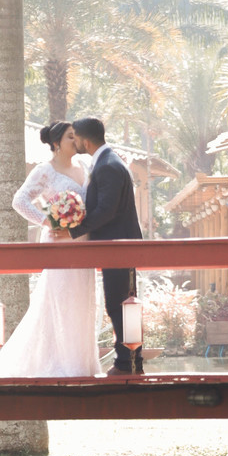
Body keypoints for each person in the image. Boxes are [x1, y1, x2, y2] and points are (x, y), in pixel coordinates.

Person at [0, 121, 102, 377]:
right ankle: (59, 365)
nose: (75, 141)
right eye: (70, 137)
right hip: (59, 243)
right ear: (56, 143)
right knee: (60, 302)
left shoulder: (84, 167)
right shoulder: (45, 171)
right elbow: (19, 201)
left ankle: (82, 365)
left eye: (76, 137)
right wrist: (49, 221)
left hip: (82, 242)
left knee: (83, 303)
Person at [70, 116, 143, 375]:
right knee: (120, 303)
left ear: (85, 140)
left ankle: (129, 363)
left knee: (120, 304)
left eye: (75, 138)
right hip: (116, 246)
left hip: (119, 247)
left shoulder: (108, 166)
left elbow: (106, 210)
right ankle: (130, 361)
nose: (74, 142)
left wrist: (74, 230)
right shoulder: (106, 162)